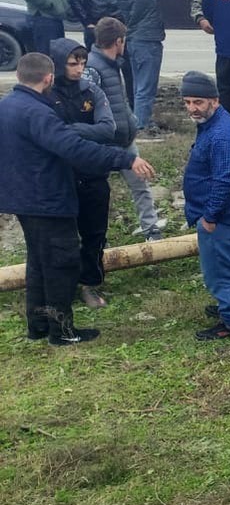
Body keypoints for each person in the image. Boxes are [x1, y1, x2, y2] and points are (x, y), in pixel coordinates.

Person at [0, 53, 155, 345]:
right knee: (61, 263)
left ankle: (39, 325)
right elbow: (75, 148)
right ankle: (62, 332)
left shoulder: (7, 105)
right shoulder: (38, 113)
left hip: (21, 198)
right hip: (46, 199)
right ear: (48, 78)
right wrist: (125, 159)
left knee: (38, 261)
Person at [180, 71, 230, 341]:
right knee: (217, 268)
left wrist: (210, 217)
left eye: (198, 102)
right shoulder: (214, 125)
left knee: (221, 269)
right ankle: (228, 305)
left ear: (215, 101)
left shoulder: (222, 136)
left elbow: (224, 181)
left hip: (220, 218)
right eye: (187, 102)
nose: (192, 109)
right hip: (216, 215)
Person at [48, 38, 116, 309]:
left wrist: (70, 130)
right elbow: (45, 133)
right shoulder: (47, 93)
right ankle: (61, 284)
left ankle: (89, 283)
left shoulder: (92, 91)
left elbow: (107, 128)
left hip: (91, 173)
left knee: (94, 233)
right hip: (60, 175)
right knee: (60, 235)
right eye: (72, 64)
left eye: (83, 63)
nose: (79, 69)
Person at [87, 17, 164, 242]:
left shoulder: (113, 64)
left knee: (141, 186)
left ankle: (151, 229)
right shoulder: (92, 68)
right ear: (119, 41)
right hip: (105, 145)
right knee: (98, 194)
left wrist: (129, 119)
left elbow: (118, 100)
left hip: (125, 140)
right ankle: (97, 237)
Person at [99, 0, 187, 133]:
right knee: (145, 86)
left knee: (139, 84)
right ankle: (141, 126)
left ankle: (139, 120)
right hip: (148, 38)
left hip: (131, 38)